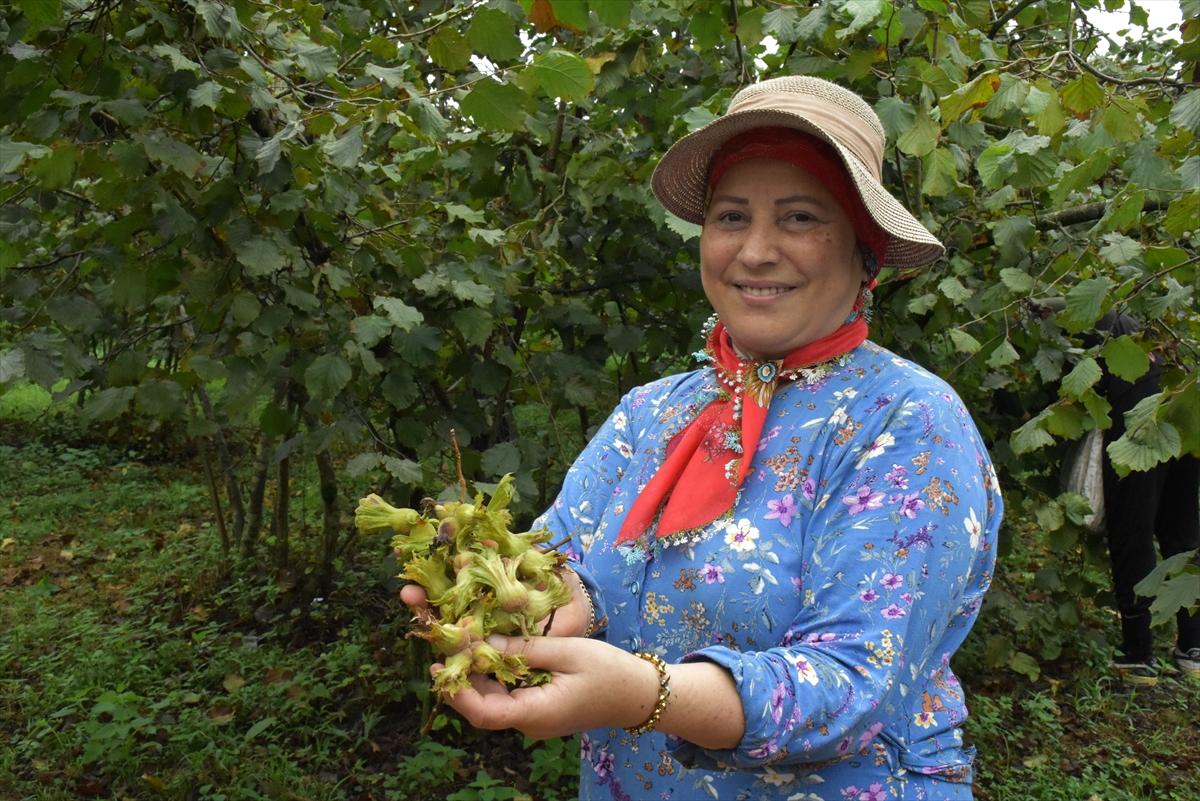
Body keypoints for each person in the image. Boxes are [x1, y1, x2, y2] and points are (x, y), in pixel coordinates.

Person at [402, 76, 1003, 801]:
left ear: (863, 251)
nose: (754, 251)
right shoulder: (652, 411)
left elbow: (851, 684)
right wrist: (523, 605)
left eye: (799, 216)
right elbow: (572, 565)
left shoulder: (905, 419)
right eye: (731, 216)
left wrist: (640, 693)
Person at [1085, 310, 1200, 685]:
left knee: (1132, 532)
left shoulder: (1100, 323)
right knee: (1182, 534)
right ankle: (1194, 646)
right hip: (1183, 409)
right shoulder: (1159, 328)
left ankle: (1138, 653)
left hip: (1139, 424)